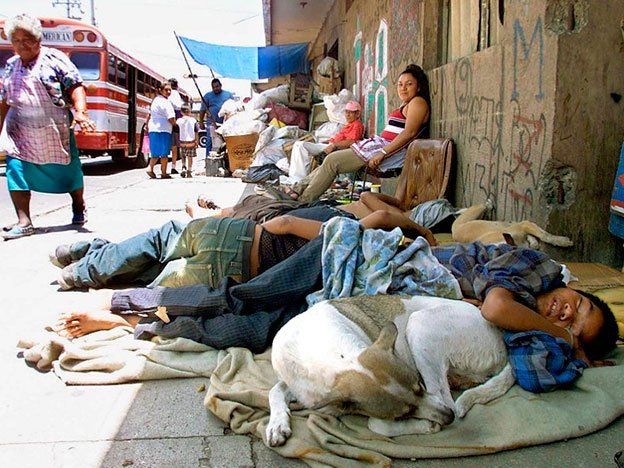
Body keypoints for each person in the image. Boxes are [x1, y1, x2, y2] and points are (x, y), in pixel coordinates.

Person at [54, 218, 619, 369]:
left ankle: (139, 325)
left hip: (363, 298)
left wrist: (568, 348)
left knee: (250, 332)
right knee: (245, 296)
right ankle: (124, 302)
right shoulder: (534, 270)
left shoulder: (529, 330)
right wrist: (562, 333)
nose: (566, 315)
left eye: (573, 326)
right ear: (583, 294)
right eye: (580, 310)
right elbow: (494, 306)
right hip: (355, 256)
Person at [51, 208, 429, 291]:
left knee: (157, 243)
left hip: (236, 235)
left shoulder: (346, 230)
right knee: (155, 274)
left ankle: (83, 261)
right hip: (235, 271)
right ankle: (85, 260)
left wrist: (420, 228)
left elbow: (284, 223)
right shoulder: (354, 265)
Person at [0, 14, 96, 240]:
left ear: (38, 39)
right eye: (16, 40)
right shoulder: (11, 65)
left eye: (27, 40)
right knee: (15, 168)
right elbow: (4, 100)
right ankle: (24, 222)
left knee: (70, 172)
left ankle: (78, 205)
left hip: (54, 128)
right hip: (19, 130)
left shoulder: (53, 58)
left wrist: (81, 112)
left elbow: (75, 86)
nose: (22, 45)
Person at [289, 64, 430, 202]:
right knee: (330, 160)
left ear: (418, 87)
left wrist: (383, 153)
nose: (403, 88)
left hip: (389, 152)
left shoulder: (418, 102)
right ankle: (297, 190)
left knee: (332, 161)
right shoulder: (407, 104)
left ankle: (303, 200)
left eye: (409, 84)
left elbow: (409, 133)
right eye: (400, 84)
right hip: (378, 147)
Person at [288, 101, 365, 182]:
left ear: (357, 114)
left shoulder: (357, 125)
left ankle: (297, 178)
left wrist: (333, 145)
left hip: (336, 149)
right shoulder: (349, 125)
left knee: (300, 145)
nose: (347, 115)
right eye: (346, 112)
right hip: (331, 146)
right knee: (298, 145)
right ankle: (296, 177)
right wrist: (326, 142)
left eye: (351, 113)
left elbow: (352, 142)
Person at [146, 82, 176, 179]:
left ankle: (150, 168)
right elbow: (171, 118)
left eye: (170, 90)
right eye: (166, 90)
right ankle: (163, 173)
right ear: (160, 90)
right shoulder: (166, 102)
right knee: (164, 153)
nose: (168, 92)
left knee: (155, 152)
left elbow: (149, 115)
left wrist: (146, 125)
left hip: (153, 129)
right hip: (164, 129)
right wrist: (175, 125)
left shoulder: (155, 100)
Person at [198, 78, 233, 154]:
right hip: (211, 123)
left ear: (220, 85)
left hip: (225, 123)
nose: (215, 89)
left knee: (226, 141)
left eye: (217, 86)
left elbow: (233, 108)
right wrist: (201, 122)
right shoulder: (207, 96)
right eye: (213, 87)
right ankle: (208, 158)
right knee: (210, 141)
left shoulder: (228, 95)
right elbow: (202, 110)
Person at [176, 104, 199, 178]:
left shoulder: (178, 121)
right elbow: (196, 131)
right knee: (190, 157)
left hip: (182, 141)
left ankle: (183, 167)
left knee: (183, 156)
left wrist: (177, 141)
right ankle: (189, 171)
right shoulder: (193, 120)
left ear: (181, 112)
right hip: (191, 142)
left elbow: (177, 132)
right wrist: (196, 141)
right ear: (190, 111)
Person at [168, 78, 184, 174]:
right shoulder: (177, 95)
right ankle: (175, 166)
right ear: (177, 86)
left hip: (168, 121)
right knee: (176, 146)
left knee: (169, 145)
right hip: (177, 120)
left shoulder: (168, 95)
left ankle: (164, 167)